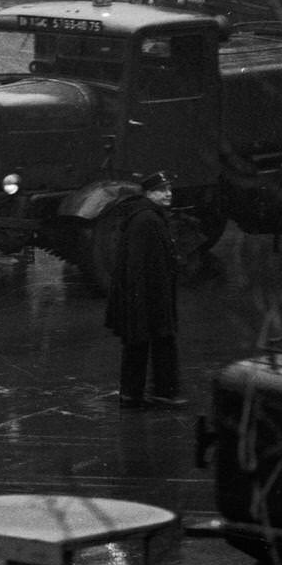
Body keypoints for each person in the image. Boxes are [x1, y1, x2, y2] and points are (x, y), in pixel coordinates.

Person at [104, 171, 185, 409]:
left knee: (143, 342)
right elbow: (137, 264)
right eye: (162, 190)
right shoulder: (147, 219)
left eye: (169, 189)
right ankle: (159, 393)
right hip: (149, 296)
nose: (168, 194)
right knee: (156, 341)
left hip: (149, 295)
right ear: (149, 194)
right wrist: (138, 301)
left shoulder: (149, 216)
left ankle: (137, 394)